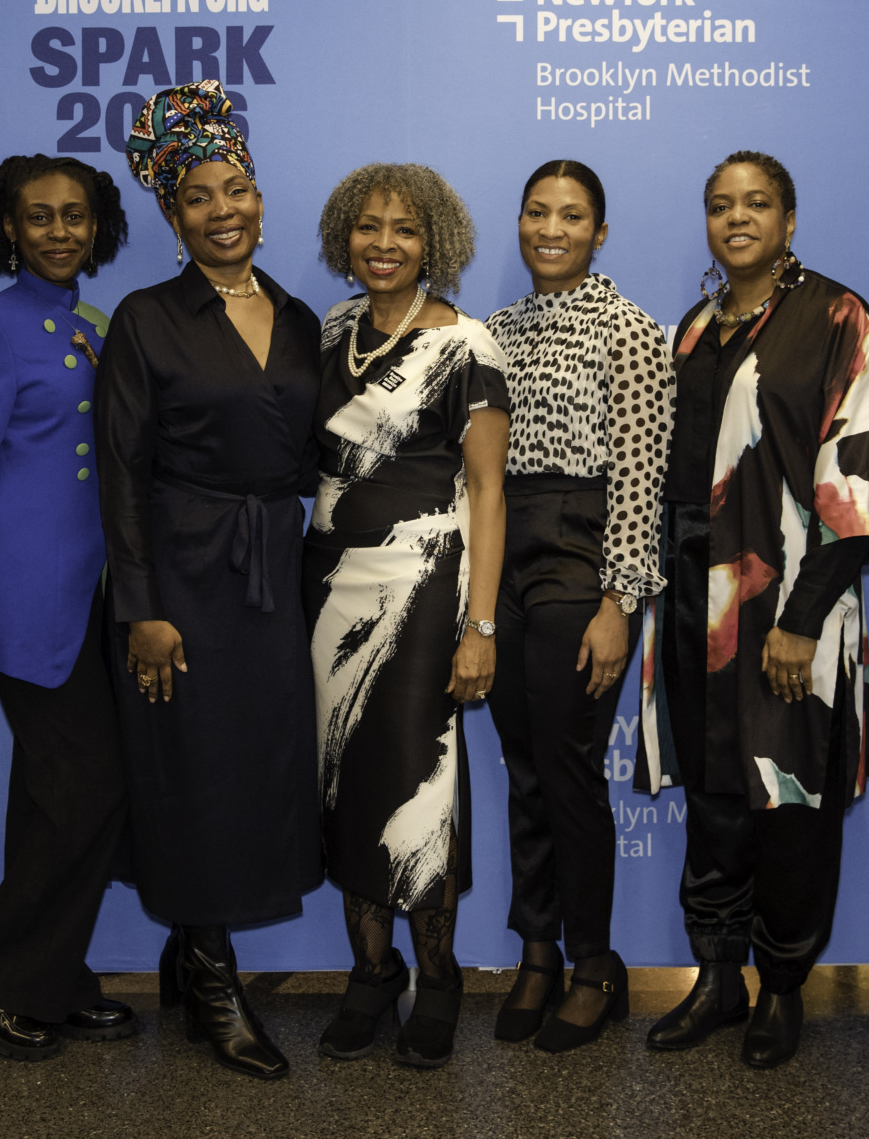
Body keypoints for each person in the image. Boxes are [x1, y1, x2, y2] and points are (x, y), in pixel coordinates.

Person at [639, 150, 869, 1070]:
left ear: (790, 220)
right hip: (696, 611)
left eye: (757, 203)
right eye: (720, 205)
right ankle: (718, 979)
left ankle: (783, 988)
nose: (737, 218)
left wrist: (801, 618)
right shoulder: (695, 327)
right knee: (715, 803)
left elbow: (858, 481)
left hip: (794, 610)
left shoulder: (839, 318)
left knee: (789, 804)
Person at [98, 81, 323, 1082]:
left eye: (236, 188)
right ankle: (213, 973)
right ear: (170, 214)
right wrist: (140, 608)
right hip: (183, 573)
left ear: (261, 201)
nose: (222, 209)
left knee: (258, 765)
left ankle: (192, 960)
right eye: (197, 196)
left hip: (278, 573)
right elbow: (119, 475)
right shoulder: (146, 320)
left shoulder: (303, 316)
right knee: (194, 768)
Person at [308, 163, 510, 1070]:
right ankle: (370, 973)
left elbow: (489, 491)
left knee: (416, 786)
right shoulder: (329, 331)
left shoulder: (469, 343)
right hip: (327, 590)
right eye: (368, 227)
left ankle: (441, 977)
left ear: (438, 242)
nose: (384, 244)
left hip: (427, 589)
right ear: (343, 236)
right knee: (344, 783)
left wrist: (481, 627)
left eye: (405, 230)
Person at [0, 153, 136, 1060]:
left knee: (58, 798)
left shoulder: (89, 321)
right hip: (23, 604)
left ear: (99, 227)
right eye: (41, 217)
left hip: (94, 605)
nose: (61, 231)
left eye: (77, 215)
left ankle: (51, 976)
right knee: (82, 791)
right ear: (7, 229)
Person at [482, 160, 672, 1052]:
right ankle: (536, 951)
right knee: (524, 766)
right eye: (536, 211)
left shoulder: (629, 330)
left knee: (567, 769)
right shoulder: (493, 332)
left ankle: (596, 962)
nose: (550, 227)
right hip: (502, 552)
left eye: (572, 215)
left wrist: (620, 601)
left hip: (581, 554)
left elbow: (642, 476)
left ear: (600, 231)